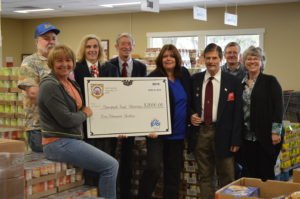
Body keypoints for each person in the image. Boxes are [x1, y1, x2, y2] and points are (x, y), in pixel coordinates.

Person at [38, 45, 118, 199]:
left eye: (68, 60)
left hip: (71, 140)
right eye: (59, 60)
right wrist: (85, 113)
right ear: (51, 63)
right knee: (110, 165)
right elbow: (67, 119)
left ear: (73, 63)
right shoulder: (50, 85)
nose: (64, 64)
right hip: (57, 142)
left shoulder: (70, 82)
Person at [138, 44, 191, 199]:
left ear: (177, 58)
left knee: (173, 174)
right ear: (160, 59)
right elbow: (144, 105)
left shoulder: (184, 75)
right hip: (157, 134)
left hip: (178, 134)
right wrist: (147, 127)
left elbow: (189, 101)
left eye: (172, 56)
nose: (168, 59)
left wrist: (192, 115)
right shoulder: (153, 77)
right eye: (165, 56)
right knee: (153, 168)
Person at [190, 43, 243, 199]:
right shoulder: (196, 80)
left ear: (220, 59)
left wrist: (236, 139)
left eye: (214, 58)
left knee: (227, 176)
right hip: (201, 133)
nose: (211, 61)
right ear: (203, 59)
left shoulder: (232, 82)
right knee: (205, 176)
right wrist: (191, 114)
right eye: (208, 58)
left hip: (224, 135)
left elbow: (237, 113)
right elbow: (189, 104)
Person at [74, 34, 119, 186]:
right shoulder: (75, 68)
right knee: (90, 160)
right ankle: (91, 192)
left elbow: (117, 95)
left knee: (108, 159)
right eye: (88, 47)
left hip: (107, 123)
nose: (92, 50)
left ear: (100, 49)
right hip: (86, 123)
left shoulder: (111, 68)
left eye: (95, 46)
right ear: (83, 49)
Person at [109, 32, 146, 199]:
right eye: (122, 44)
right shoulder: (108, 65)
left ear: (133, 46)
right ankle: (111, 192)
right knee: (110, 158)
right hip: (112, 119)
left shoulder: (141, 67)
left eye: (129, 44)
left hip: (131, 120)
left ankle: (125, 193)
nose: (126, 47)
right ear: (116, 47)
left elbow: (142, 92)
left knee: (127, 160)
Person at [240, 46, 283, 180]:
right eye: (248, 58)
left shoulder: (270, 81)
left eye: (256, 58)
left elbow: (278, 108)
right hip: (246, 137)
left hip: (265, 137)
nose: (252, 61)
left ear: (262, 62)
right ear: (244, 62)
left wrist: (276, 132)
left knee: (265, 173)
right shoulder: (240, 83)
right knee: (249, 173)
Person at [17, 22, 60, 152]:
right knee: (45, 166)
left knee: (60, 169)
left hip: (60, 126)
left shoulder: (59, 61)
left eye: (53, 38)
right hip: (39, 128)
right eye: (46, 38)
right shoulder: (30, 62)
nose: (51, 42)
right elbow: (34, 93)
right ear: (37, 41)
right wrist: (63, 107)